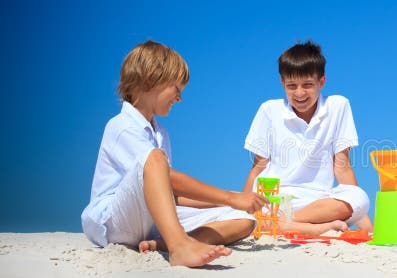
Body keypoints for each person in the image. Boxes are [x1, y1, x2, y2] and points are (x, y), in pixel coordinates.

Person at [81, 40, 267, 267]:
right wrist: (229, 197)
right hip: (116, 222)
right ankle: (179, 246)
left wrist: (230, 203)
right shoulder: (121, 126)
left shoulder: (161, 134)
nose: (179, 98)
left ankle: (163, 243)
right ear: (150, 80)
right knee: (156, 158)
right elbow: (168, 177)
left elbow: (168, 192)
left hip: (149, 222)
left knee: (243, 220)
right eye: (176, 89)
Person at [242, 40, 372, 235]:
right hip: (273, 199)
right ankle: (311, 228)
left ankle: (284, 224)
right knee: (254, 212)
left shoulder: (338, 106)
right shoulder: (269, 110)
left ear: (322, 82)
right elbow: (258, 167)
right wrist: (243, 210)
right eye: (292, 86)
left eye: (308, 85)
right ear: (282, 83)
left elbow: (342, 166)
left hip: (317, 205)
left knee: (360, 197)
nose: (300, 93)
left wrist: (368, 229)